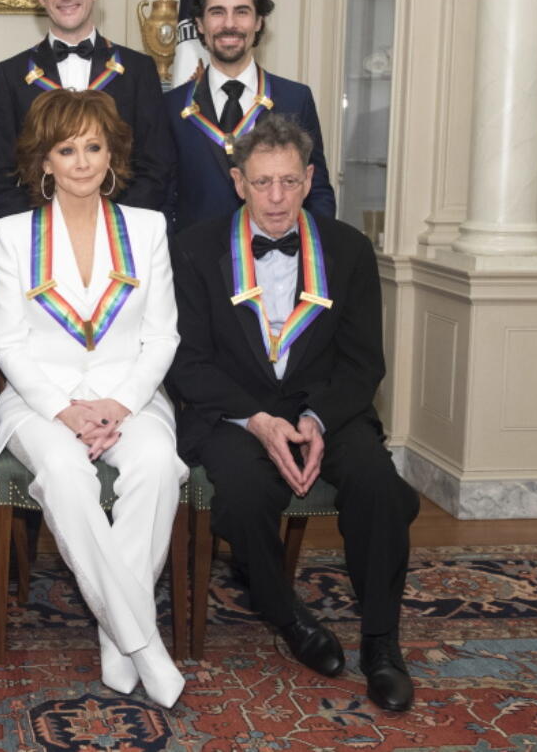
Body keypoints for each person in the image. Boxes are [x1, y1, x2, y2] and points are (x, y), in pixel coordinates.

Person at [167, 115, 419, 712]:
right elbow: (189, 363)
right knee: (246, 496)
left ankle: (382, 643)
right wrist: (257, 419)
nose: (275, 198)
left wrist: (315, 420)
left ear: (308, 180)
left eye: (287, 182)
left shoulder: (350, 250)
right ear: (237, 182)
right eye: (261, 183)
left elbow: (364, 364)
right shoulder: (195, 250)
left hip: (327, 406)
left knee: (379, 486)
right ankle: (288, 616)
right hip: (234, 410)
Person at [0, 88, 188, 708]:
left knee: (157, 466)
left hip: (132, 396)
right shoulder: (15, 235)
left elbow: (162, 335)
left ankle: (115, 635)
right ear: (43, 160)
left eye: (93, 147)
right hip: (38, 400)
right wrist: (66, 410)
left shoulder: (148, 228)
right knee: (66, 474)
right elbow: (8, 344)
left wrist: (120, 404)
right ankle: (142, 642)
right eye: (66, 149)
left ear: (112, 156)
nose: (81, 161)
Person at [0, 0, 175, 219]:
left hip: (123, 234)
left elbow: (156, 166)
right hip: (38, 240)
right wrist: (41, 229)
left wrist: (114, 224)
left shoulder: (138, 71)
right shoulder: (9, 76)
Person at [164, 0, 335, 231]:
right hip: (196, 267)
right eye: (217, 12)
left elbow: (317, 193)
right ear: (199, 24)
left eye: (241, 12)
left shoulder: (296, 99)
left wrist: (311, 258)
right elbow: (162, 201)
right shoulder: (170, 108)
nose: (229, 24)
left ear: (258, 22)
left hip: (278, 264)